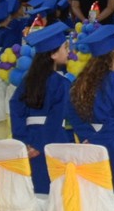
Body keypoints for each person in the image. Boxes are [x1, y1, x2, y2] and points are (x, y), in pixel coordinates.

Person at [67, 26, 114, 200]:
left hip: (89, 140)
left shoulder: (81, 81)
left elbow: (71, 112)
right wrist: (97, 139)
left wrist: (88, 136)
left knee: (97, 191)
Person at [12, 24, 73, 195]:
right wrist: (40, 144)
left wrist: (23, 140)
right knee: (56, 190)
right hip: (53, 139)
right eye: (65, 48)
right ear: (53, 54)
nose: (68, 51)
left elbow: (16, 108)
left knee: (35, 190)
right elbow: (57, 116)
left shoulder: (27, 81)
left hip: (30, 138)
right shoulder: (62, 83)